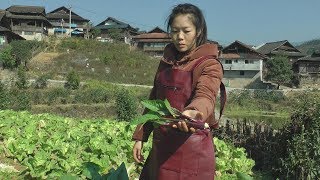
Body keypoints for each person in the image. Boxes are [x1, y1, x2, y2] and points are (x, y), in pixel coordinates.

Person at [132, 3, 225, 180]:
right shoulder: (167, 62)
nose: (179, 37)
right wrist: (140, 136)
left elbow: (206, 95)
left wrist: (194, 113)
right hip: (162, 145)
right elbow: (154, 102)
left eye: (186, 31)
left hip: (192, 146)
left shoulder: (209, 64)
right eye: (175, 31)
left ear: (198, 31)